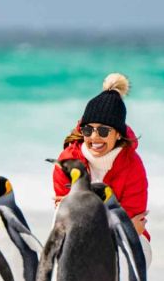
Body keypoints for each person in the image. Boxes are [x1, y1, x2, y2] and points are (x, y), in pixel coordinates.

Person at [52, 73, 150, 246]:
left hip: (127, 241)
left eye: (104, 131)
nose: (94, 137)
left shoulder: (132, 165)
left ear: (118, 134)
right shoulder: (68, 161)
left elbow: (134, 226)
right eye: (88, 130)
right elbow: (66, 220)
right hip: (80, 239)